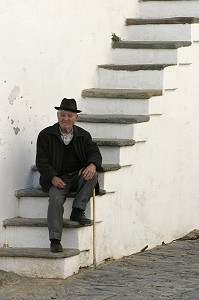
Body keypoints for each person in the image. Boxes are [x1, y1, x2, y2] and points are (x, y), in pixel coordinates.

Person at [36, 98, 102, 252]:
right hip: (56, 179)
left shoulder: (83, 135)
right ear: (58, 115)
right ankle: (55, 240)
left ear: (76, 118)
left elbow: (95, 154)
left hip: (77, 176)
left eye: (69, 115)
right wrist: (52, 177)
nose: (65, 118)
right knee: (55, 199)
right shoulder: (46, 135)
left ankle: (78, 210)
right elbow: (41, 162)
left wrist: (92, 165)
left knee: (92, 175)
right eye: (62, 115)